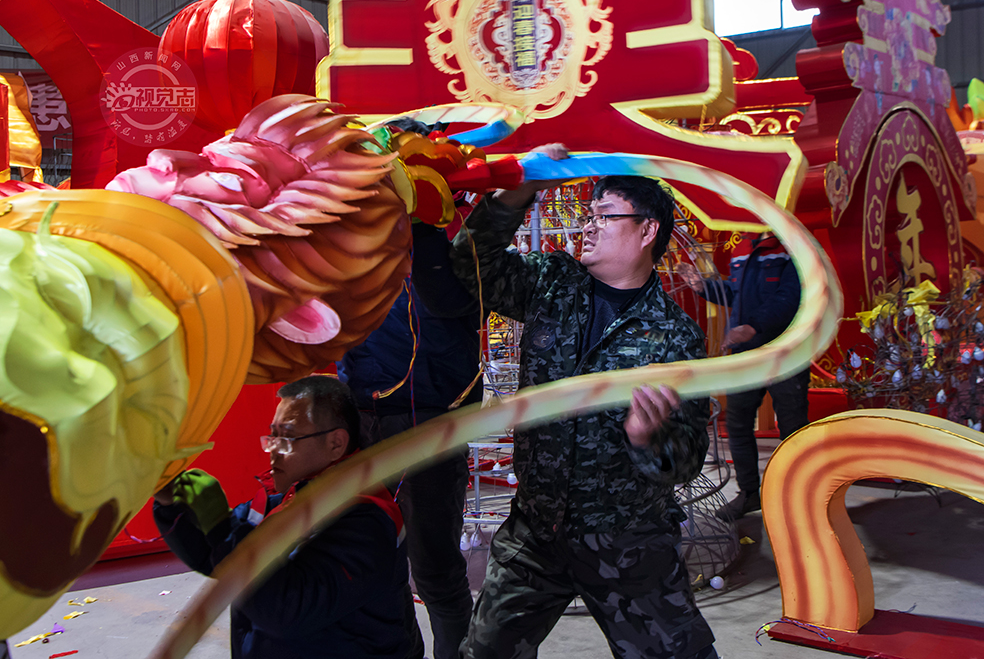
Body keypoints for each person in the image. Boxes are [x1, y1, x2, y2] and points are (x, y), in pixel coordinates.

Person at [450, 144, 718, 659]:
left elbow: (685, 461)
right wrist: (518, 190)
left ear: (647, 232)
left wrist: (647, 440)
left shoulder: (673, 337)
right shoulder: (553, 284)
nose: (586, 228)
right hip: (536, 533)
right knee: (483, 652)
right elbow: (470, 263)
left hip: (628, 542)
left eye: (604, 217)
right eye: (587, 216)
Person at [152, 375, 411, 659]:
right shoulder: (279, 503)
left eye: (287, 437)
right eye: (272, 436)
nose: (273, 449)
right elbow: (213, 557)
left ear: (336, 443)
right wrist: (171, 504)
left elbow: (287, 610)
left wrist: (223, 527)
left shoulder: (365, 519)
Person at [338, 221, 482, 659]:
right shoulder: (348, 246)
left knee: (434, 568)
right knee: (372, 565)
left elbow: (455, 306)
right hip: (361, 416)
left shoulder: (449, 243)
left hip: (428, 423)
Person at [679, 231, 806, 521]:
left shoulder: (792, 246)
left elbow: (790, 296)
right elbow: (734, 294)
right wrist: (703, 286)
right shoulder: (743, 248)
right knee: (737, 422)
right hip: (745, 354)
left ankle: (798, 494)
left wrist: (753, 326)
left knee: (793, 425)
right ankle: (749, 493)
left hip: (785, 352)